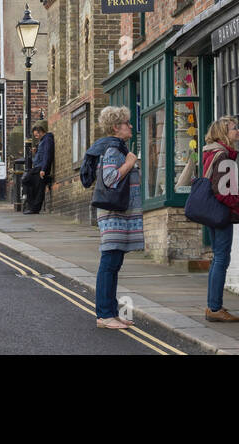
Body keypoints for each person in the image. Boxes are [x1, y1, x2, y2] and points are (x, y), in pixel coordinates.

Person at [90, 105, 143, 330]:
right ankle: (103, 314)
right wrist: (130, 163)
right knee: (109, 263)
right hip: (113, 214)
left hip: (120, 214)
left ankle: (111, 311)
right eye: (126, 123)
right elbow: (110, 179)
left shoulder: (118, 148)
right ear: (116, 127)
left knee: (114, 263)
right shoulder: (114, 150)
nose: (130, 126)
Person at [200, 115, 239, 322]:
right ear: (224, 133)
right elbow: (222, 190)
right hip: (221, 212)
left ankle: (213, 305)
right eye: (234, 128)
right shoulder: (223, 156)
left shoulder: (212, 153)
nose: (238, 131)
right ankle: (215, 307)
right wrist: (235, 205)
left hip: (211, 212)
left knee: (218, 258)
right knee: (221, 258)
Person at [25, 122, 55, 214]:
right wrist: (36, 151)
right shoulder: (43, 141)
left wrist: (44, 169)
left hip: (41, 168)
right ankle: (32, 207)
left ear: (42, 132)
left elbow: (47, 155)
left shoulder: (47, 139)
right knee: (29, 182)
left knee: (37, 187)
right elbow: (42, 154)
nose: (36, 136)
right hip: (38, 167)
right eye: (35, 135)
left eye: (37, 134)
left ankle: (35, 208)